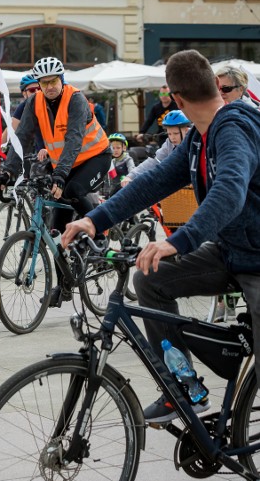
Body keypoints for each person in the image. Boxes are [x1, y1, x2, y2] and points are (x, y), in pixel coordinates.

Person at [61, 49, 260, 424]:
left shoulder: (235, 127)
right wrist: (95, 220)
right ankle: (184, 388)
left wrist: (178, 241)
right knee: (151, 278)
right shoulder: (200, 137)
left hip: (258, 262)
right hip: (232, 251)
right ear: (215, 85)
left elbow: (230, 190)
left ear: (176, 99)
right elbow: (154, 181)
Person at [0, 56, 111, 232]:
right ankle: (62, 255)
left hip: (95, 157)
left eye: (54, 81)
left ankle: (100, 239)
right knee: (56, 227)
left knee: (72, 191)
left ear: (62, 79)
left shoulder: (76, 99)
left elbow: (74, 139)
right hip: (66, 164)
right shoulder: (34, 102)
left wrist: (60, 174)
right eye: (44, 83)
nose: (49, 87)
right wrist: (7, 171)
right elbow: (22, 137)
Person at [121, 109, 192, 188]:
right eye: (169, 134)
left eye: (175, 133)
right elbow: (154, 161)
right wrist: (131, 176)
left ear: (186, 130)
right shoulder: (169, 143)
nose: (172, 137)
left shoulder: (195, 141)